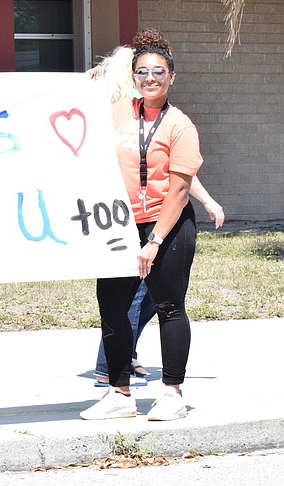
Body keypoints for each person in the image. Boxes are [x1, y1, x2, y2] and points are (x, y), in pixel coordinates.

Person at [80, 28, 203, 421]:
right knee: (113, 310)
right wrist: (82, 89)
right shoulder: (117, 114)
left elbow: (180, 190)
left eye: (158, 72)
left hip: (167, 228)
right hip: (118, 225)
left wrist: (153, 242)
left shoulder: (180, 125)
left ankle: (172, 393)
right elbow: (76, 120)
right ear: (133, 78)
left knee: (169, 307)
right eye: (142, 73)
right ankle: (119, 394)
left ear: (171, 77)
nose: (150, 79)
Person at [92, 178, 225, 387]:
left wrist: (207, 201)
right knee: (131, 301)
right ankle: (110, 369)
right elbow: (181, 176)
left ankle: (121, 361)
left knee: (147, 302)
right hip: (137, 220)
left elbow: (183, 174)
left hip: (154, 219)